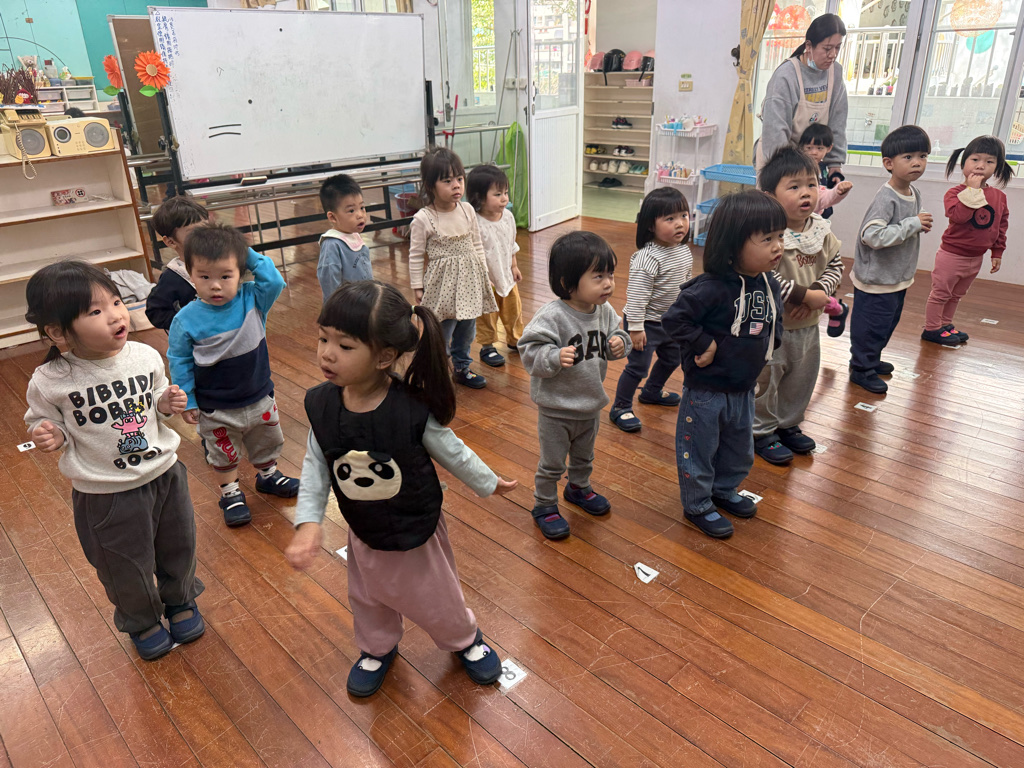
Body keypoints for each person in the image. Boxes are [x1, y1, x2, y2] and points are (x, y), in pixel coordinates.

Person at [284, 281, 516, 697]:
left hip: (416, 526)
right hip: (364, 528)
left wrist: (487, 481)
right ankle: (377, 646)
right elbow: (317, 465)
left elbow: (452, 450)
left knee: (436, 595)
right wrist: (308, 522)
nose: (327, 353)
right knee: (367, 596)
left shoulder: (410, 407)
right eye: (323, 339)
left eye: (345, 345)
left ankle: (464, 638)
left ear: (385, 356)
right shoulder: (322, 405)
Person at [23, 261, 204, 661]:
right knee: (122, 563)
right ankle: (142, 620)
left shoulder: (144, 355)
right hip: (106, 491)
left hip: (164, 473)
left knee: (179, 543)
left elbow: (155, 400)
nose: (116, 315)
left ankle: (180, 599)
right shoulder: (51, 379)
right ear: (58, 332)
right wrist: (49, 433)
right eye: (95, 311)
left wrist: (165, 403)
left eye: (117, 302)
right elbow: (44, 421)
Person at [662, 191, 784, 539]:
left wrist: (771, 344)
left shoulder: (769, 284)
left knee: (739, 449)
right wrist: (706, 343)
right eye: (767, 239)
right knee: (699, 450)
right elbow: (674, 320)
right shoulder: (710, 288)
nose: (778, 246)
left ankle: (723, 490)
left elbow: (775, 320)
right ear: (733, 245)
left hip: (744, 387)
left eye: (780, 236)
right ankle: (698, 504)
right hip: (706, 391)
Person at [167, 223, 299, 527]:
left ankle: (268, 476)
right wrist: (188, 400)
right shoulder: (185, 319)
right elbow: (179, 361)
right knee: (223, 452)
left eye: (226, 276)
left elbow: (274, 280)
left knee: (267, 439)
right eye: (204, 277)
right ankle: (230, 493)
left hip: (259, 395)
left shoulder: (253, 299)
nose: (216, 285)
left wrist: (243, 252)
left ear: (241, 273)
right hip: (217, 406)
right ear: (190, 274)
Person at [518, 231, 631, 540]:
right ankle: (544, 504)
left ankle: (578, 488)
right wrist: (553, 356)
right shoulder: (552, 316)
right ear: (567, 282)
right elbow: (528, 351)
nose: (608, 283)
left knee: (584, 457)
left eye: (610, 275)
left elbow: (618, 335)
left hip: (590, 404)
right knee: (552, 464)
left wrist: (620, 343)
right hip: (556, 410)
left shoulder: (604, 312)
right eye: (598, 276)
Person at [753, 147, 844, 465]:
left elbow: (835, 266)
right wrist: (804, 296)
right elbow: (764, 276)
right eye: (794, 186)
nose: (806, 193)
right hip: (771, 327)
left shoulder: (821, 229)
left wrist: (819, 292)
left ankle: (788, 423)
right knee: (767, 379)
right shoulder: (768, 233)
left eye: (811, 184)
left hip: (808, 324)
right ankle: (761, 431)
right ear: (770, 196)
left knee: (801, 377)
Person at [849, 125, 932, 394]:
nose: (917, 162)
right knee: (870, 327)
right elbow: (872, 236)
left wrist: (917, 224)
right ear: (888, 163)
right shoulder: (886, 197)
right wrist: (912, 224)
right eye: (908, 157)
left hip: (896, 277)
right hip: (876, 280)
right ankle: (861, 368)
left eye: (922, 156)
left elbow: (907, 226)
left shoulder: (913, 192)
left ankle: (871, 359)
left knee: (886, 323)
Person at [409, 147, 497, 389]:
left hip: (469, 282)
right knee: (441, 333)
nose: (456, 185)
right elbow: (415, 255)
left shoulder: (467, 210)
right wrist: (417, 286)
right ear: (430, 186)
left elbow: (477, 244)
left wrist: (484, 274)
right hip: (442, 288)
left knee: (467, 331)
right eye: (447, 181)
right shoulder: (423, 218)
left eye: (459, 178)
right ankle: (435, 372)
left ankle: (461, 368)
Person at [609, 187, 692, 433]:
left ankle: (651, 391)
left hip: (672, 321)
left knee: (672, 358)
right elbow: (636, 296)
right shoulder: (647, 258)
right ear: (650, 225)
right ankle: (621, 407)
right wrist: (635, 328)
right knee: (638, 367)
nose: (680, 223)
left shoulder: (683, 251)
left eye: (684, 215)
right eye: (670, 218)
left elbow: (686, 285)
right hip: (645, 323)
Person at [922, 135, 1013, 346]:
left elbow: (1000, 226)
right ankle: (932, 329)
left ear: (997, 167)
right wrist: (972, 191)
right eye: (975, 159)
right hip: (951, 255)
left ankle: (945, 324)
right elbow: (959, 216)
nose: (981, 166)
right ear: (964, 163)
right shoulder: (955, 193)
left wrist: (997, 252)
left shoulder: (999, 197)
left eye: (989, 161)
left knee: (956, 295)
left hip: (976, 257)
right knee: (941, 293)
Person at [756, 13, 848, 178]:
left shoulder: (835, 73)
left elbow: (838, 122)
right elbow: (776, 131)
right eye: (827, 49)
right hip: (778, 159)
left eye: (838, 47)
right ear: (809, 46)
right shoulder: (786, 75)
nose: (833, 55)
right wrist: (787, 172)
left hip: (813, 159)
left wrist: (835, 164)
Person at [467, 164, 524, 368]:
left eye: (505, 193)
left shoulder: (508, 217)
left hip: (506, 276)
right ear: (479, 197)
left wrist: (514, 266)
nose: (504, 199)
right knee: (487, 317)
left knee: (513, 310)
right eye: (497, 194)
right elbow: (472, 253)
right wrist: (482, 277)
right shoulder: (474, 222)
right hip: (486, 281)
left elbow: (511, 243)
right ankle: (487, 346)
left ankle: (516, 339)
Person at [145, 195, 208, 331]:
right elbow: (154, 311)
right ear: (171, 241)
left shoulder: (221, 261)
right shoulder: (173, 277)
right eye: (193, 233)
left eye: (205, 229)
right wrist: (184, 322)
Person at [317, 173, 372, 302]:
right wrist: (335, 308)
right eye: (351, 211)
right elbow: (330, 282)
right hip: (346, 307)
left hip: (365, 303)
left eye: (362, 207)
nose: (360, 215)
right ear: (332, 217)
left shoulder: (354, 235)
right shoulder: (332, 244)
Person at [799, 123, 853, 218]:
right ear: (802, 147)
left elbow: (827, 186)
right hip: (806, 214)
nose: (814, 152)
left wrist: (835, 179)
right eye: (809, 148)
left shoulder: (823, 166)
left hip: (822, 213)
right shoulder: (800, 168)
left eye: (819, 148)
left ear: (829, 148)